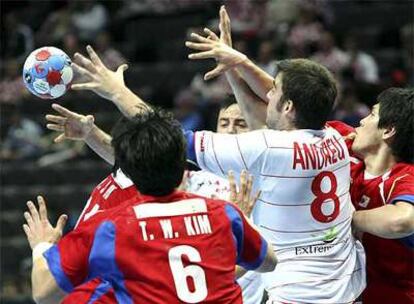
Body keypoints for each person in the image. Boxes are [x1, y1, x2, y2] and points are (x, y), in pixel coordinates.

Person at [67, 8, 365, 303]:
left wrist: (117, 93)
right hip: (347, 288)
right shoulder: (334, 138)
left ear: (288, 107)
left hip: (299, 295)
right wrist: (238, 64)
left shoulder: (266, 147)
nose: (268, 94)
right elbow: (286, 102)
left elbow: (170, 137)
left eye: (274, 90)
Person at [23, 109, 277, 303]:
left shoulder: (109, 228)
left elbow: (43, 293)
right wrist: (242, 224)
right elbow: (269, 262)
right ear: (183, 168)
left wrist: (42, 245)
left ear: (128, 171)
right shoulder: (224, 213)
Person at [350, 88, 414, 304]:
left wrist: (344, 217)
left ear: (388, 130)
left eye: (372, 115)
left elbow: (402, 221)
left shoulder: (405, 178)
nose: (361, 121)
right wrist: (240, 67)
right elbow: (297, 108)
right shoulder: (346, 154)